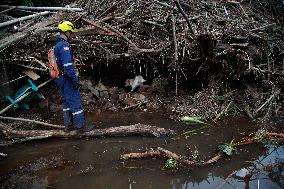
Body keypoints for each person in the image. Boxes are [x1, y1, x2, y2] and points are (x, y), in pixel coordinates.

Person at [54, 21, 93, 132]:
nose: (72, 35)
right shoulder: (64, 46)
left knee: (66, 102)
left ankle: (69, 126)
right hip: (67, 78)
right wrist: (75, 80)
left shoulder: (56, 45)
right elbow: (68, 66)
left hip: (60, 78)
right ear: (66, 31)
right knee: (75, 102)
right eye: (71, 33)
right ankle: (80, 127)